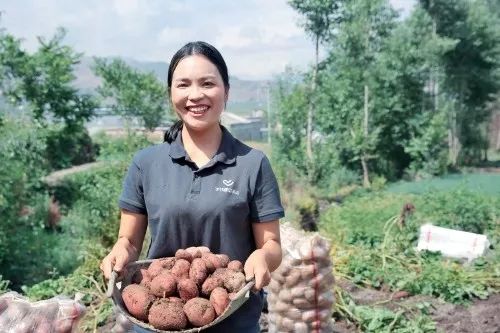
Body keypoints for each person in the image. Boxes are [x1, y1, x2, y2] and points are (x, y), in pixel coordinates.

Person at [100, 41, 284, 332]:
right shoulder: (145, 163)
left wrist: (263, 257)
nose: (195, 95)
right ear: (171, 93)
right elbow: (130, 241)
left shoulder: (252, 163)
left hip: (232, 320)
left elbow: (272, 245)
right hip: (157, 316)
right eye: (183, 84)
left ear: (227, 91)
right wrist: (120, 252)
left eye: (207, 83)